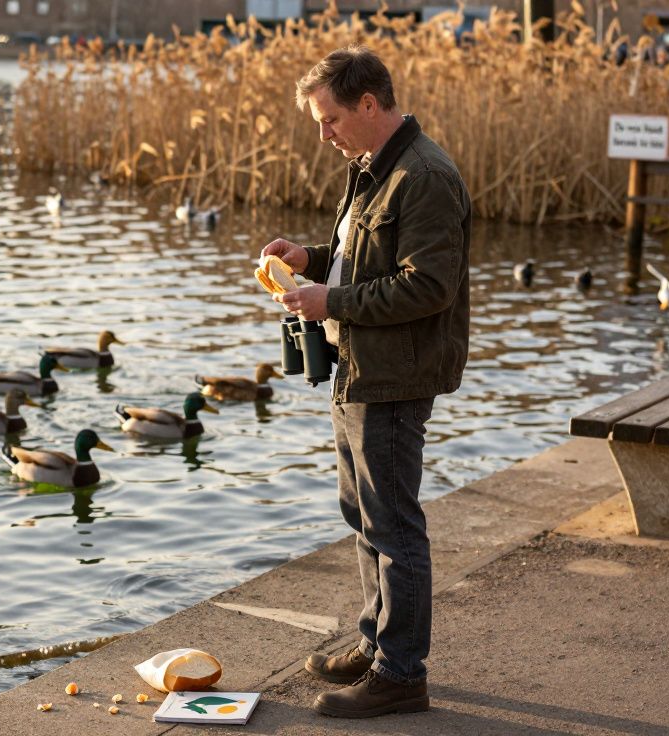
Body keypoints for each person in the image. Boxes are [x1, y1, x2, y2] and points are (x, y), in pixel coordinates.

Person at [260, 45, 471, 719]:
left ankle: (401, 674)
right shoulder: (373, 167)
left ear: (370, 105)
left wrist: (332, 303)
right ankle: (376, 641)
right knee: (362, 515)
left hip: (395, 373)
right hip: (359, 368)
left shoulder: (424, 175)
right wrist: (310, 259)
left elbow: (429, 287)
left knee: (393, 523)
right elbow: (363, 257)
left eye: (329, 119)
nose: (323, 134)